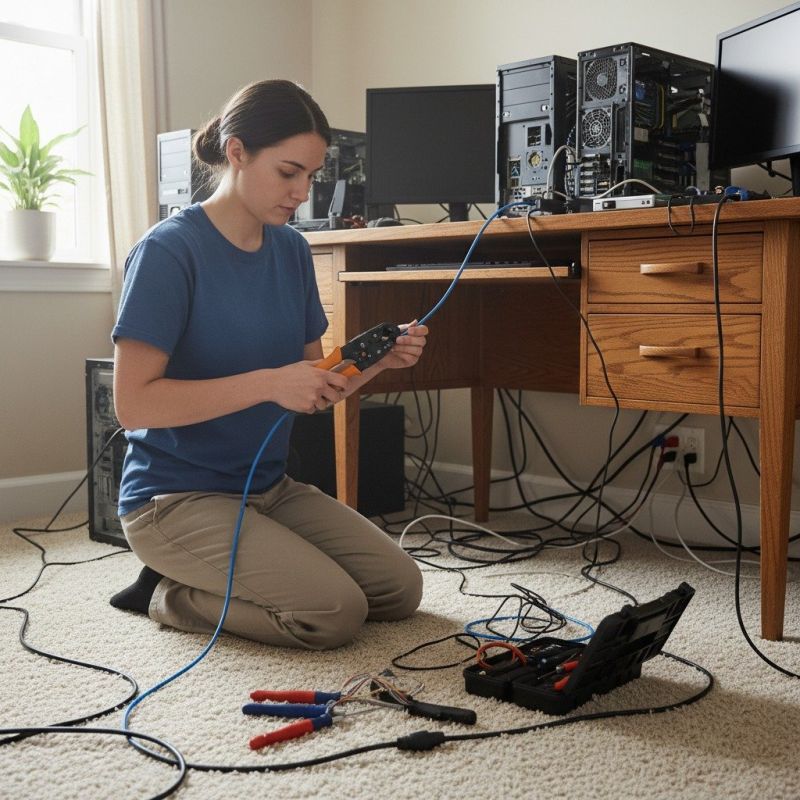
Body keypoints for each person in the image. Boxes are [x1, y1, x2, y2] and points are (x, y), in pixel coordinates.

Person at [109, 79, 428, 650]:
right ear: (237, 152)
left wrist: (380, 363)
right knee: (332, 613)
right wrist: (265, 384)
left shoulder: (291, 250)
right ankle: (166, 592)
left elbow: (315, 382)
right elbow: (134, 404)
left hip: (268, 489)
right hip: (174, 501)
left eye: (311, 175)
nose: (302, 191)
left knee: (399, 590)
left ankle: (233, 569)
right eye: (289, 173)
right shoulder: (167, 253)